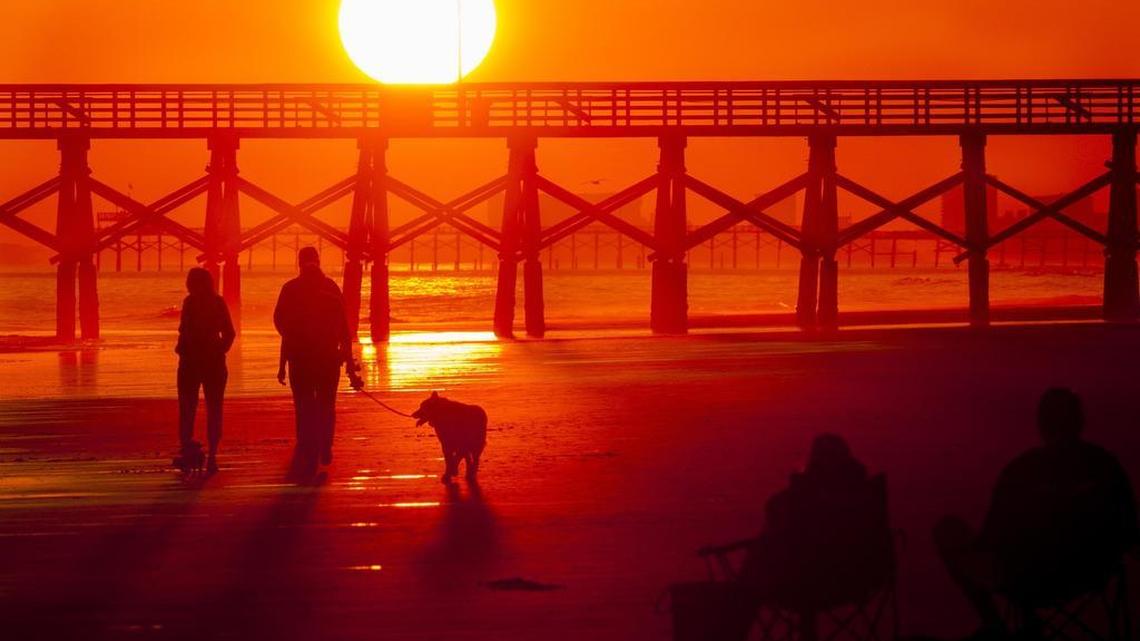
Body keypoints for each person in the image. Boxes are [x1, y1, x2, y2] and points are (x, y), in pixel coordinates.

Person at [934, 388, 1139, 637]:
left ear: (1041, 424)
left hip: (1027, 580)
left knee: (948, 530)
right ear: (1080, 421)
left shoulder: (1022, 471)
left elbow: (993, 537)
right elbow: (1128, 531)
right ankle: (1027, 622)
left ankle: (995, 625)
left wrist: (973, 549)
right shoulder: (1106, 466)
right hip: (1090, 574)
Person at [679, 435, 889, 641]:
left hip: (813, 579)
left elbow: (794, 532)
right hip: (840, 576)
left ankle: (725, 632)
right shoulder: (860, 497)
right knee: (757, 568)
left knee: (749, 581)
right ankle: (730, 622)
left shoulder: (821, 500)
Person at [274, 247, 363, 478]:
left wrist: (283, 362)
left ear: (300, 265)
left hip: (300, 359)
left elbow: (282, 326)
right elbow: (345, 331)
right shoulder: (332, 292)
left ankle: (306, 445)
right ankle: (325, 445)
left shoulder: (291, 290)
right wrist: (350, 365)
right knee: (326, 404)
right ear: (319, 264)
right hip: (327, 359)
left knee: (303, 405)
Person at [175, 267, 235, 475]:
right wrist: (220, 350)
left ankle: (201, 454)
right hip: (208, 363)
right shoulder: (210, 302)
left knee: (190, 409)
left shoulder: (193, 303)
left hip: (196, 362)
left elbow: (186, 330)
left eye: (191, 282)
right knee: (209, 409)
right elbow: (230, 333)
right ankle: (207, 456)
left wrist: (218, 351)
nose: (189, 286)